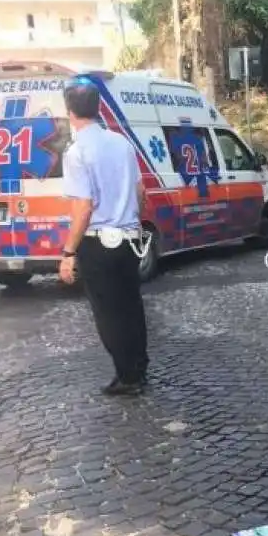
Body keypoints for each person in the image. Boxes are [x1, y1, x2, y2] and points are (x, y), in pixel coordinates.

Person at [58, 78, 150, 396]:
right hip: (129, 238)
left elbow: (83, 207)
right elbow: (141, 192)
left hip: (98, 242)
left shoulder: (77, 152)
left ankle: (127, 376)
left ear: (70, 112)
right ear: (98, 108)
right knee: (131, 306)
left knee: (108, 313)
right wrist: (130, 216)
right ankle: (137, 367)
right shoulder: (122, 143)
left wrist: (69, 253)